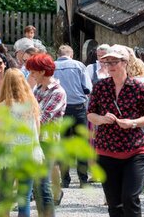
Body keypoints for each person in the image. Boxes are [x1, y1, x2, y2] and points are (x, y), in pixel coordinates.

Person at [87, 44, 144, 217]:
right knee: (114, 203)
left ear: (125, 63)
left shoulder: (138, 88)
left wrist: (132, 123)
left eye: (114, 62)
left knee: (130, 198)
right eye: (107, 62)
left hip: (135, 151)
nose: (110, 66)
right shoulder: (100, 87)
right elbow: (90, 114)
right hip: (107, 150)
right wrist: (102, 119)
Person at [0, 68, 41, 217]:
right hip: (28, 154)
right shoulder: (32, 104)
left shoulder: (2, 106)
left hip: (8, 155)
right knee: (24, 200)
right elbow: (37, 130)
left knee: (5, 198)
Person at [26, 54, 67, 217]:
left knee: (42, 184)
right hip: (35, 139)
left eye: (33, 71)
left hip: (47, 141)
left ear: (42, 71)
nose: (31, 74)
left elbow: (41, 118)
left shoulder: (58, 92)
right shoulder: (37, 89)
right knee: (37, 185)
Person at [53, 45, 92, 188]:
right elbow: (88, 88)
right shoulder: (79, 65)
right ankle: (83, 179)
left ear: (58, 54)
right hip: (78, 108)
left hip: (60, 110)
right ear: (72, 54)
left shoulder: (52, 66)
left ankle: (65, 179)